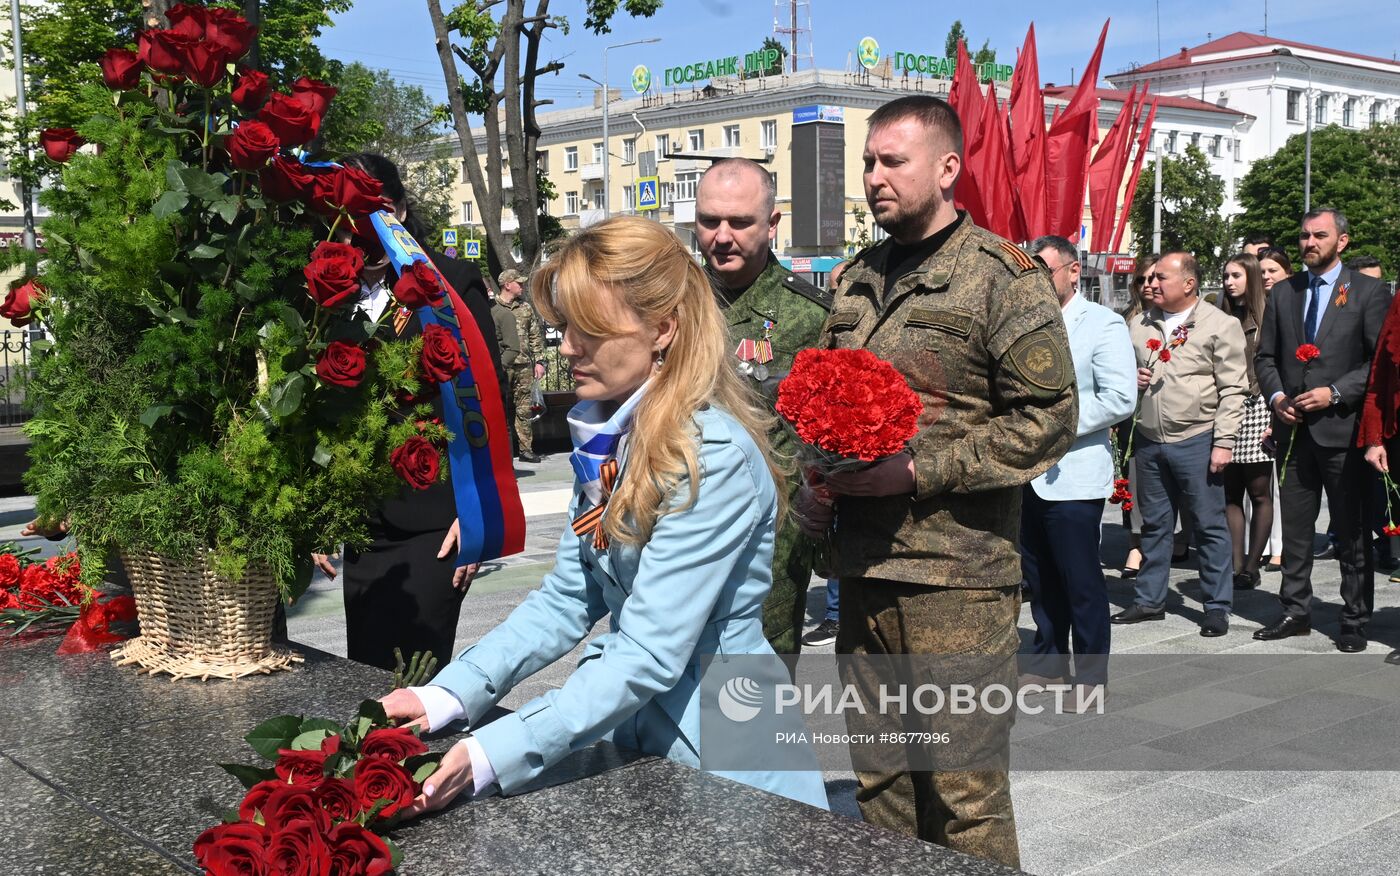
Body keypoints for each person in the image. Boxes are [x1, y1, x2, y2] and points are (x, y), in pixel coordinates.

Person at [379, 216, 829, 813]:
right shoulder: (617, 435)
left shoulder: (711, 457)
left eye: (588, 330)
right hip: (636, 730)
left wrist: (492, 751)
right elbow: (567, 597)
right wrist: (450, 694)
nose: (567, 348)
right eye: (565, 327)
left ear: (662, 329)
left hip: (726, 743)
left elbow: (647, 651)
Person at [796, 95, 1077, 869]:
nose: (874, 178)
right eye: (868, 162)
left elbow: (1048, 419)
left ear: (948, 168)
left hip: (954, 578)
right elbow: (824, 397)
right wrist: (816, 479)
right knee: (880, 786)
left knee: (964, 796)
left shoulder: (1001, 277)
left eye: (893, 162)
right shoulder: (856, 277)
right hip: (862, 572)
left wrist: (918, 471)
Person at [310, 153, 495, 673]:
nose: (364, 226)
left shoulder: (451, 285)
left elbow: (485, 397)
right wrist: (320, 512)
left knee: (416, 673)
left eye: (378, 209)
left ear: (403, 211)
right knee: (365, 673)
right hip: (364, 521)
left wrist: (478, 510)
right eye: (351, 213)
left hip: (435, 521)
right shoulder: (326, 295)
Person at [694, 157, 831, 654]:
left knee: (756, 686)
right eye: (710, 221)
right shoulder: (673, 304)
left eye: (740, 222)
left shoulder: (810, 316)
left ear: (772, 224)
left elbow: (826, 434)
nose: (722, 236)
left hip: (768, 537)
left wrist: (822, 501)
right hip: (678, 523)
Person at [1255, 208, 1391, 652]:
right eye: (1304, 236)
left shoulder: (1369, 292)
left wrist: (1334, 392)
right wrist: (1277, 398)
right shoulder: (1284, 293)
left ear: (1342, 241)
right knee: (1294, 528)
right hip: (1292, 431)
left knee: (1351, 529)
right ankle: (1295, 610)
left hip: (1343, 430)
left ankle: (1354, 617)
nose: (1309, 243)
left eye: (1319, 235)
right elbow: (1266, 359)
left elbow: (1377, 363)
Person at [1021, 236, 1135, 699]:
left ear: (1073, 272)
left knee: (1081, 580)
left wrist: (1054, 426)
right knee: (1040, 576)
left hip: (1074, 473)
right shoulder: (1022, 324)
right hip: (1026, 471)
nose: (1035, 282)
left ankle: (1090, 677)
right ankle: (1048, 660)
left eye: (1043, 271)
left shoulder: (1103, 324)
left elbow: (1120, 398)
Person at [1112, 252, 1247, 637]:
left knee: (1208, 527)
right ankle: (1150, 600)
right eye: (1149, 278)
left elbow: (1234, 389)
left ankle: (1217, 606)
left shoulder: (1220, 324)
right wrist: (1130, 382)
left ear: (1188, 284)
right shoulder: (1139, 323)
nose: (1150, 284)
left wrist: (1223, 442)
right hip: (1150, 440)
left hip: (1198, 438)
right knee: (1154, 525)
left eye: (1160, 278)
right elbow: (1121, 374)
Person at [1218, 253, 1275, 589]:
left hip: (1258, 407)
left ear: (1251, 278)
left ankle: (1252, 565)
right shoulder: (1219, 316)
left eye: (1236, 275)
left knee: (1259, 491)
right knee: (1229, 492)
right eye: (1226, 275)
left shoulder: (1268, 315)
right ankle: (1236, 565)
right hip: (1225, 408)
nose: (1229, 282)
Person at [1119, 255, 1157, 577]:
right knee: (1129, 482)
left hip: (1166, 415)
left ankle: (1174, 539)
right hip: (1131, 418)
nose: (1148, 285)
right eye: (1141, 280)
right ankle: (1135, 544)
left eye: (1154, 279)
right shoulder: (1125, 320)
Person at [492, 269, 547, 463]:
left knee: (523, 409)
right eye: (519, 283)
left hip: (523, 365)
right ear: (507, 284)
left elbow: (535, 335)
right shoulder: (492, 308)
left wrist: (539, 361)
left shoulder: (525, 308)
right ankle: (501, 451)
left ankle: (525, 449)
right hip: (502, 366)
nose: (522, 286)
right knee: (499, 408)